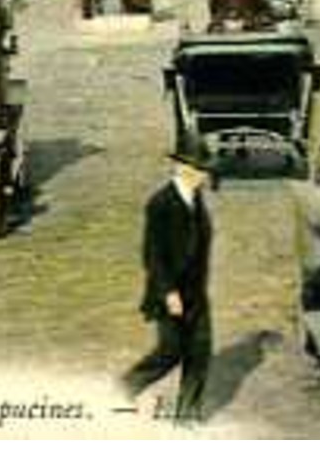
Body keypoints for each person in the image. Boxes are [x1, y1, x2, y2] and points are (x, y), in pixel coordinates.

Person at [122, 135, 214, 424]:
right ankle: (125, 388)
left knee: (199, 352)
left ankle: (187, 416)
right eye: (194, 169)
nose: (200, 175)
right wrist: (169, 292)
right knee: (171, 350)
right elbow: (153, 255)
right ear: (178, 168)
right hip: (169, 293)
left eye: (202, 170)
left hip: (196, 293)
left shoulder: (196, 199)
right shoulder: (160, 203)